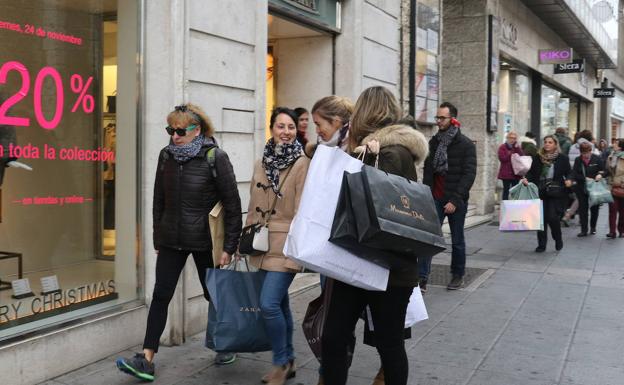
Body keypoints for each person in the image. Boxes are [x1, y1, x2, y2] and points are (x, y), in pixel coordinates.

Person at [116, 104, 242, 381]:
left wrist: (229, 247)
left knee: (213, 295)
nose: (174, 135)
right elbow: (158, 199)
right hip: (172, 238)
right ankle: (146, 358)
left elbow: (233, 205)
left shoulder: (215, 157)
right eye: (171, 129)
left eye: (180, 130)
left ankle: (224, 343)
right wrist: (157, 236)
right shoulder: (166, 156)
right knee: (161, 295)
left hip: (204, 241)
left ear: (197, 130)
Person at [321, 86, 429, 385]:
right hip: (370, 261)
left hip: (380, 263)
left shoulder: (389, 153)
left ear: (366, 113)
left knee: (386, 343)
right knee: (340, 336)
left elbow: (379, 210)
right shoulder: (374, 150)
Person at [239, 107, 310, 385]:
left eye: (291, 127)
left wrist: (300, 246)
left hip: (286, 244)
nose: (286, 132)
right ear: (272, 129)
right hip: (260, 243)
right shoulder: (261, 162)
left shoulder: (302, 163)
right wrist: (241, 241)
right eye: (280, 126)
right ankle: (289, 359)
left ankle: (280, 363)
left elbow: (305, 208)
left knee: (268, 304)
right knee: (279, 304)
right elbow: (252, 204)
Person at [422, 102, 477, 290]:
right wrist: (426, 194)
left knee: (457, 240)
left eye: (442, 118)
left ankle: (457, 275)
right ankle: (422, 276)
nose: (438, 121)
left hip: (456, 199)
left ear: (453, 119)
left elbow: (469, 175)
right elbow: (428, 172)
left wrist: (455, 200)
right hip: (435, 198)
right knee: (428, 238)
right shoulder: (434, 142)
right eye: (437, 117)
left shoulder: (466, 145)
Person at [522, 135, 571, 252]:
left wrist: (569, 179)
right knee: (541, 219)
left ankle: (557, 238)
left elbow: (569, 172)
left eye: (550, 142)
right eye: (545, 142)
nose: (547, 144)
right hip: (540, 191)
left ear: (555, 144)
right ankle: (542, 244)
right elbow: (531, 173)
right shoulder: (538, 157)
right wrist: (526, 179)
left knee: (552, 217)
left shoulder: (562, 158)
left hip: (555, 191)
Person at [570, 141, 606, 236]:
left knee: (595, 208)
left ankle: (593, 227)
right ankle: (584, 230)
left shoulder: (597, 159)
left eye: (587, 153)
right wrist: (583, 178)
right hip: (582, 187)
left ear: (591, 151)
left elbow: (604, 171)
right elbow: (574, 173)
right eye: (583, 153)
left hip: (595, 187)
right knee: (583, 209)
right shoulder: (578, 160)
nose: (585, 155)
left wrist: (599, 175)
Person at [497, 131, 524, 200]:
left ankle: (514, 207)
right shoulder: (502, 147)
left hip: (516, 173)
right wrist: (511, 153)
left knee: (515, 191)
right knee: (506, 190)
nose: (512, 140)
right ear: (507, 138)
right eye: (511, 138)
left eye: (514, 138)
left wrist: (517, 148)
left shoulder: (517, 147)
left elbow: (521, 156)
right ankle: (505, 206)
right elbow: (502, 158)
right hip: (506, 173)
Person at [606, 138, 624, 238]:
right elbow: (608, 171)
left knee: (622, 211)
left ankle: (621, 230)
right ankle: (612, 231)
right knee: (612, 210)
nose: (613, 144)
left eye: (616, 143)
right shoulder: (611, 156)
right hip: (611, 187)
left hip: (622, 187)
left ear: (621, 146)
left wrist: (622, 184)